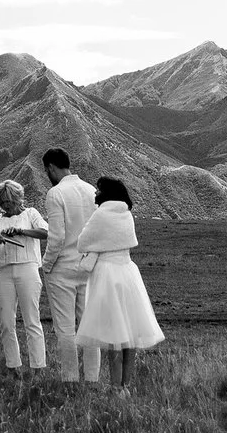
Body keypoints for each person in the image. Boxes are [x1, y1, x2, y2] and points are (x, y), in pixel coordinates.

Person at [73, 175, 162, 385]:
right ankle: (126, 385)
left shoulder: (100, 215)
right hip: (128, 271)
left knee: (114, 335)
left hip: (107, 274)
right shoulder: (126, 214)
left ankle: (115, 387)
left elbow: (82, 243)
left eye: (98, 189)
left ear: (106, 193)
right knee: (129, 333)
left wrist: (97, 247)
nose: (95, 193)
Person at [38, 148, 101, 383]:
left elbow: (57, 237)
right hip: (88, 264)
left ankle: (70, 378)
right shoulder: (91, 191)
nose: (47, 174)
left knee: (65, 328)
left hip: (62, 266)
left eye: (46, 170)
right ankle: (92, 378)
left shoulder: (55, 194)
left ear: (52, 167)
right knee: (89, 324)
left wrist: (46, 264)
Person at [0, 178, 49, 375]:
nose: (7, 206)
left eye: (10, 201)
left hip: (27, 268)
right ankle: (13, 366)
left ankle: (38, 366)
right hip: (4, 271)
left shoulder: (31, 213)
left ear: (18, 199)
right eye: (3, 202)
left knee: (32, 319)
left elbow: (45, 232)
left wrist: (21, 231)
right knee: (6, 321)